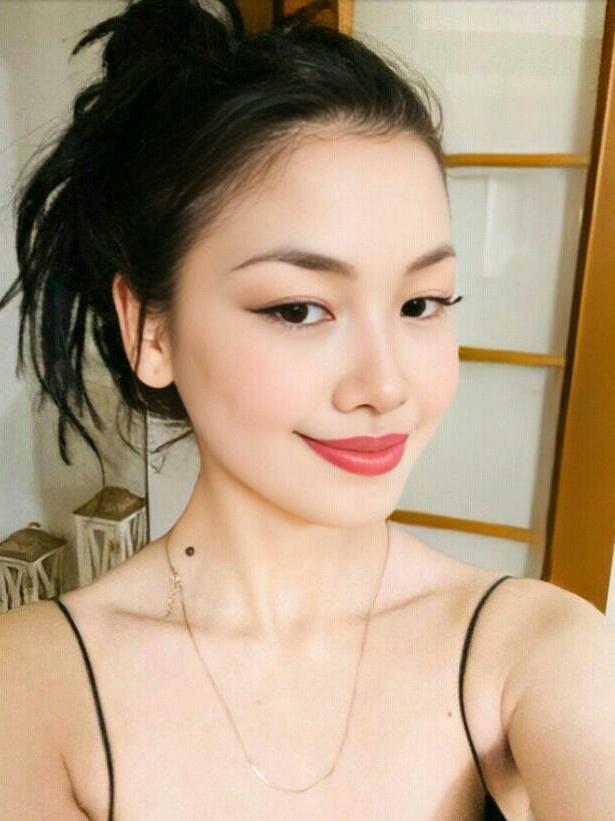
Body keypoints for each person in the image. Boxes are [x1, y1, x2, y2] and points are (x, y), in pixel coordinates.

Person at [1, 1, 614, 818]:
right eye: (298, 309)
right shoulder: (36, 684)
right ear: (150, 330)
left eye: (422, 302)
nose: (385, 385)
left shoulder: (535, 648)